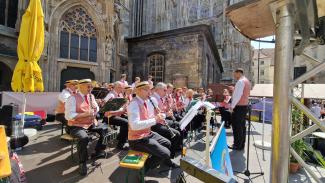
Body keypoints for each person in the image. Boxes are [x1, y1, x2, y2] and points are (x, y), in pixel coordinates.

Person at [127, 81, 178, 171]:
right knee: (166, 154)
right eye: (147, 90)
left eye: (150, 89)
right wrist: (155, 119)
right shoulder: (134, 104)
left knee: (168, 143)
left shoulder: (145, 102)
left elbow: (149, 118)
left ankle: (150, 162)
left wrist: (160, 115)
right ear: (139, 91)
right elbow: (134, 125)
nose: (150, 92)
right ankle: (144, 169)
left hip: (147, 133)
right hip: (137, 139)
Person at [65, 79, 108, 176]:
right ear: (81, 86)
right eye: (88, 86)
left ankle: (98, 151)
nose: (91, 88)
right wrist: (85, 114)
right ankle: (82, 163)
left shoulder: (91, 96)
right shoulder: (72, 98)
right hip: (75, 125)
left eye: (91, 86)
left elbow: (96, 108)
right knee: (84, 138)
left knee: (105, 128)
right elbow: (68, 116)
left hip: (90, 123)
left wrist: (96, 108)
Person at [151, 82, 182, 158]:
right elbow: (154, 115)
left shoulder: (160, 98)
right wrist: (166, 114)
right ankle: (170, 155)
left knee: (179, 125)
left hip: (162, 120)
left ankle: (176, 146)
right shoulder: (154, 99)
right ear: (158, 90)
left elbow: (162, 110)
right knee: (176, 133)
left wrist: (168, 111)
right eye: (165, 90)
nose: (166, 92)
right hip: (155, 123)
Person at [229, 68, 251, 150]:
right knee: (242, 126)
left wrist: (232, 106)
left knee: (237, 126)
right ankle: (241, 144)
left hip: (239, 107)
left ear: (238, 73)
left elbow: (238, 96)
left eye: (235, 74)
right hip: (244, 106)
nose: (234, 76)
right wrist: (234, 89)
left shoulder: (240, 81)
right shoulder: (247, 81)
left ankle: (237, 145)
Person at [103, 81, 129, 150]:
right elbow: (107, 111)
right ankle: (121, 143)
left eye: (122, 87)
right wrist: (121, 110)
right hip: (109, 117)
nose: (122, 89)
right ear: (116, 87)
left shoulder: (120, 95)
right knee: (126, 123)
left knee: (130, 119)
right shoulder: (110, 95)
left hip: (117, 114)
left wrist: (125, 108)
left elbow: (122, 107)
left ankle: (122, 136)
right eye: (120, 87)